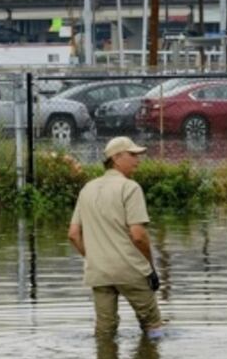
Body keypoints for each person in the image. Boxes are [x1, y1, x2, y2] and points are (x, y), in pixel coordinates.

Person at [68, 136, 163, 339]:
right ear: (116, 157)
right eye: (133, 155)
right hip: (131, 269)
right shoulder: (130, 188)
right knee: (153, 327)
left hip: (99, 272)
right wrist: (151, 268)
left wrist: (93, 257)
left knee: (104, 331)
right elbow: (138, 236)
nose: (138, 160)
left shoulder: (87, 189)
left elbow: (74, 235)